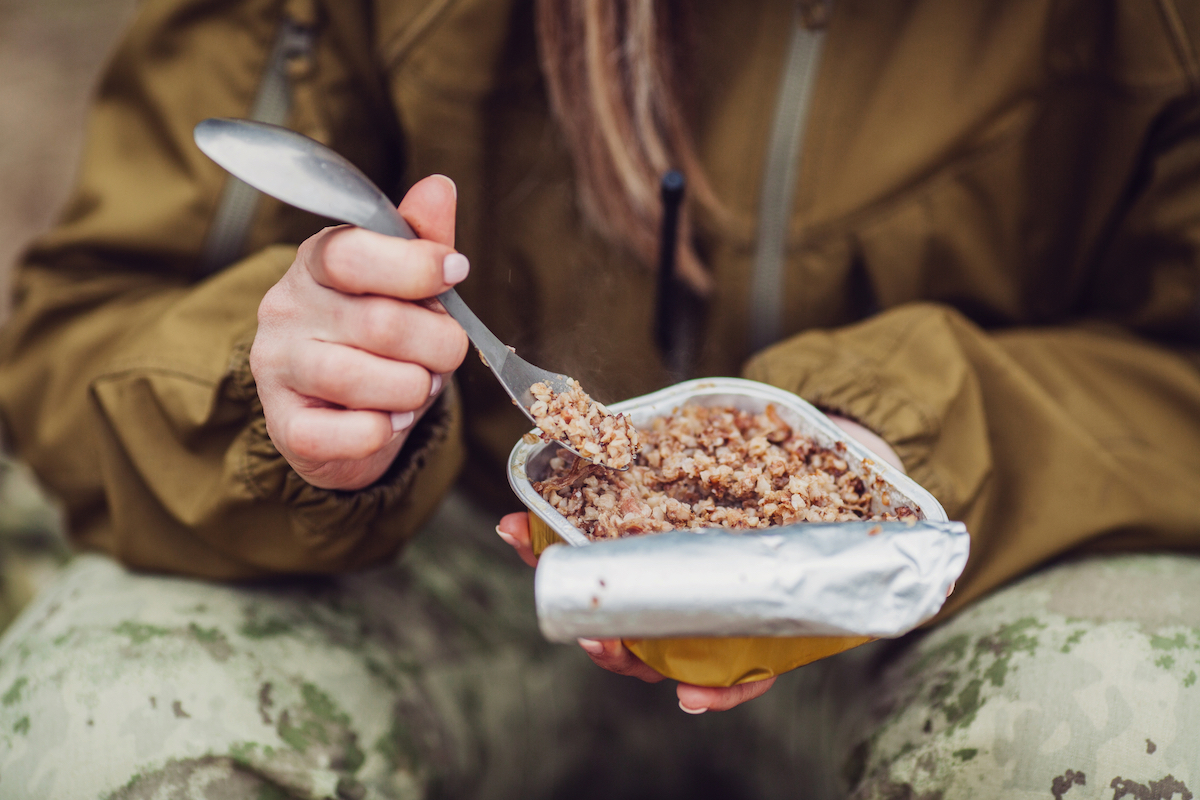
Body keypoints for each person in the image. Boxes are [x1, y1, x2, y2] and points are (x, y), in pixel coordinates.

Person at [1, 0, 1199, 797]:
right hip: (457, 553)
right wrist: (280, 392)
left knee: (1131, 722)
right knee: (111, 717)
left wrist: (905, 436)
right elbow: (76, 339)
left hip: (956, 567)